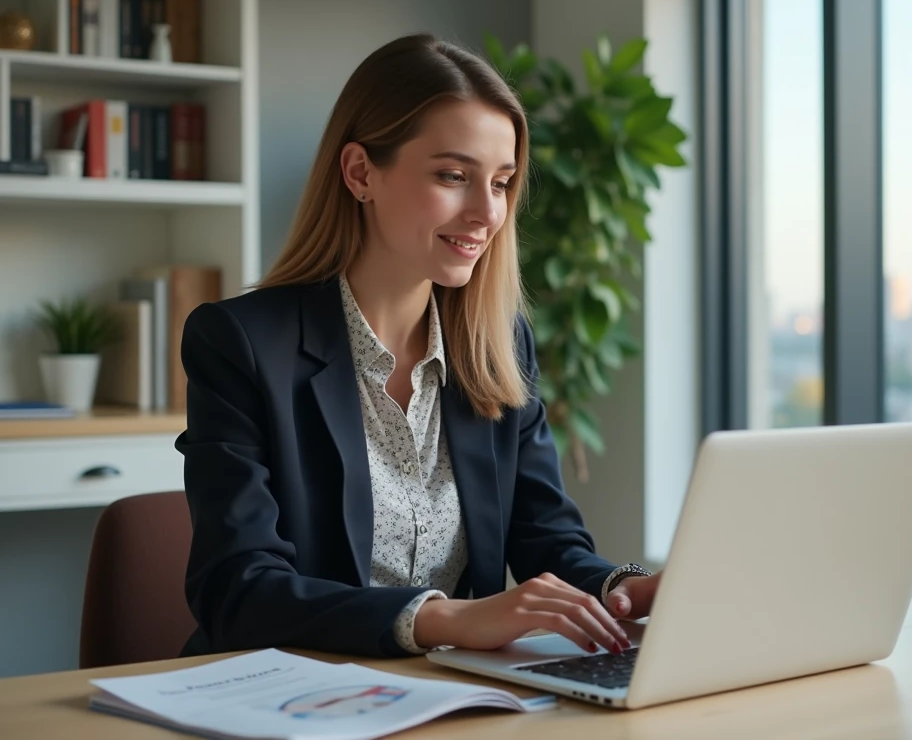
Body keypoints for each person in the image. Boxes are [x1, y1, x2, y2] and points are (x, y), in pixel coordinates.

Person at [176, 33, 661, 660]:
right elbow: (238, 591)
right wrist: (443, 620)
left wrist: (628, 590)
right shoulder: (240, 344)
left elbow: (548, 542)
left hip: (452, 702)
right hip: (293, 700)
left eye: (502, 182)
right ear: (360, 173)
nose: (487, 213)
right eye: (453, 175)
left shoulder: (500, 344)